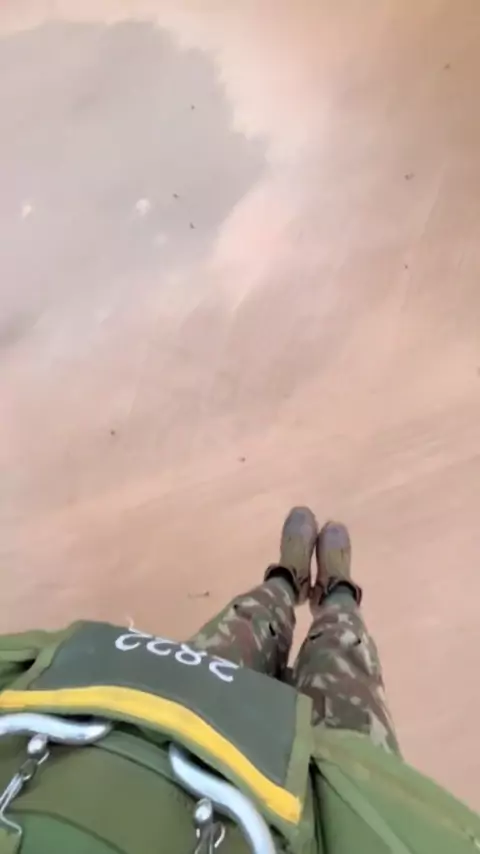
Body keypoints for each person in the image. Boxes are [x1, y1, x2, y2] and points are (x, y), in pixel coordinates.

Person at [0, 507, 477, 854]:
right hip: (319, 813)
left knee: (242, 629)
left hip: (137, 741)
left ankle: (285, 583)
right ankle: (338, 599)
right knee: (346, 666)